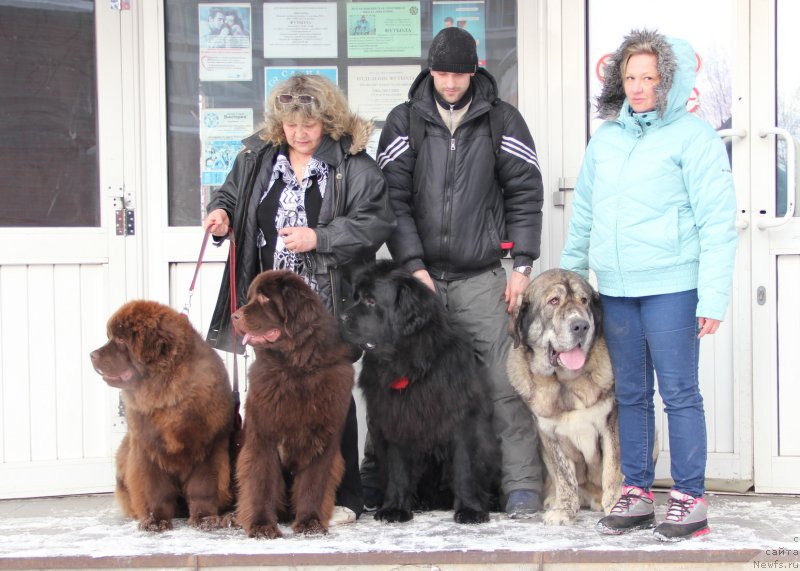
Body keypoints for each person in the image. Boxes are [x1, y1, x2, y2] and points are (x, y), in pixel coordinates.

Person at [560, 29, 737, 542]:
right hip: (616, 289)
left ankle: (689, 497)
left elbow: (717, 223)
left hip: (672, 287)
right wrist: (573, 280)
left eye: (649, 78)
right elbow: (585, 215)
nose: (638, 88)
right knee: (632, 393)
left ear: (670, 82)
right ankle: (636, 492)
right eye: (631, 78)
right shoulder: (607, 140)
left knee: (679, 393)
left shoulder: (693, 138)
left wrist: (714, 295)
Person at [367, 26, 545, 517]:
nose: (449, 83)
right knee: (390, 379)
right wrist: (412, 266)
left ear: (475, 70)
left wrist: (522, 266)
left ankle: (521, 484)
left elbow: (525, 195)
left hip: (481, 276)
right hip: (416, 282)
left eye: (459, 73)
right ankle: (376, 481)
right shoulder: (404, 122)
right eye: (441, 73)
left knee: (504, 382)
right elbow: (392, 201)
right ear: (429, 70)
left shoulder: (502, 120)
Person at [203, 74, 396, 525]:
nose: (300, 133)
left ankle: (344, 496)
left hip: (328, 298)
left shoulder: (354, 166)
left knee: (331, 395)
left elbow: (375, 223)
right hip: (270, 301)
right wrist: (220, 213)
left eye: (309, 123)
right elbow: (231, 195)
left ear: (328, 121)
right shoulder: (257, 158)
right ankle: (268, 498)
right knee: (270, 395)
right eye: (290, 124)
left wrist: (320, 236)